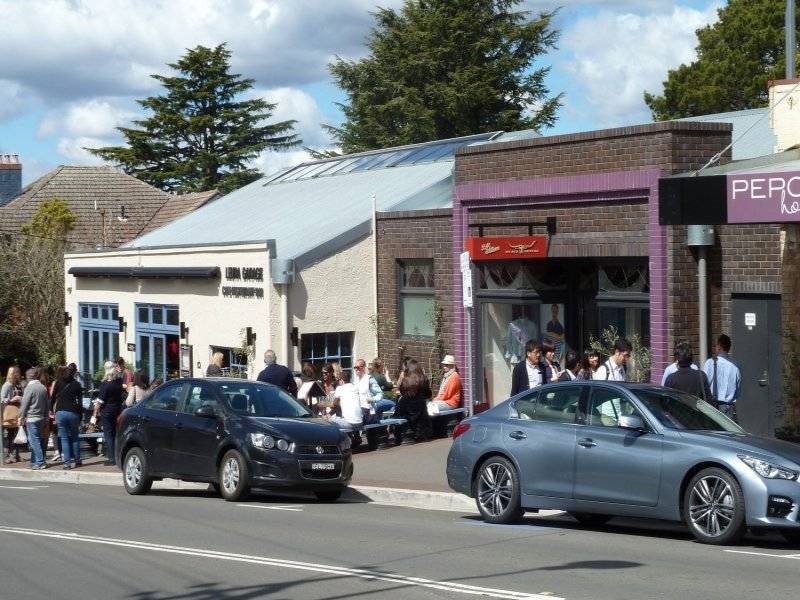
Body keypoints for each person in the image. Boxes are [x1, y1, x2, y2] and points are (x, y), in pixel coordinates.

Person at [703, 334, 742, 421]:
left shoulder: (709, 363)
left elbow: (704, 385)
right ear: (729, 347)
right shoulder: (735, 366)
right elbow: (738, 392)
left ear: (719, 347)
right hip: (728, 408)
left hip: (712, 406)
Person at [18, 367, 50, 470]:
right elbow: (47, 404)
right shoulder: (43, 387)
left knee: (34, 442)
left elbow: (25, 404)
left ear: (28, 377)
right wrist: (46, 418)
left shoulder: (29, 388)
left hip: (32, 418)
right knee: (37, 440)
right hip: (41, 418)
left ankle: (40, 462)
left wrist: (21, 417)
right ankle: (33, 462)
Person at [93, 361, 124, 466]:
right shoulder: (118, 382)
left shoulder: (105, 384)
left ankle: (111, 458)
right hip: (117, 410)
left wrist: (94, 415)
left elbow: (99, 401)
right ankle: (116, 456)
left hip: (107, 411)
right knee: (114, 434)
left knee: (108, 435)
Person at [52, 364, 83, 469]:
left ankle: (67, 463)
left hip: (60, 412)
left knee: (64, 438)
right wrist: (80, 415)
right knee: (75, 437)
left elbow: (53, 398)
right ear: (75, 372)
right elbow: (80, 403)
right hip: (73, 413)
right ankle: (77, 460)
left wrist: (51, 410)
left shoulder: (58, 382)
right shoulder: (77, 384)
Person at [393, 360, 432, 442]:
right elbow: (428, 394)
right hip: (420, 410)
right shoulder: (423, 379)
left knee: (397, 412)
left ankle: (399, 436)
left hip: (406, 409)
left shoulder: (405, 380)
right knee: (423, 408)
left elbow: (401, 392)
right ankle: (421, 434)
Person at [1, 366, 24, 463]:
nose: (19, 375)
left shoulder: (18, 385)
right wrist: (12, 399)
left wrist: (21, 399)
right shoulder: (7, 385)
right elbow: (2, 399)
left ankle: (16, 455)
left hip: (17, 412)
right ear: (12, 374)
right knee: (10, 435)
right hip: (9, 412)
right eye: (17, 373)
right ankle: (8, 456)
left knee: (16, 434)